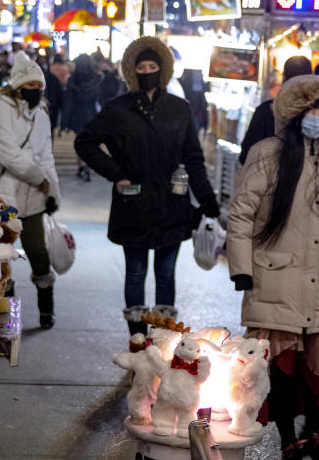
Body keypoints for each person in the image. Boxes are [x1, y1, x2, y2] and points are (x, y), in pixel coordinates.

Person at [228, 74, 319, 460]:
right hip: (273, 278)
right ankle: (289, 442)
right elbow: (241, 214)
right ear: (296, 112)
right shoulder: (267, 154)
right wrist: (242, 269)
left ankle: (313, 435)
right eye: (313, 108)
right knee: (282, 370)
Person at [75, 37, 220, 339]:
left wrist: (206, 197)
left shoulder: (179, 109)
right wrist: (116, 173)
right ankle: (138, 337)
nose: (147, 71)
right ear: (132, 71)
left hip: (172, 204)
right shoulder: (118, 109)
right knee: (136, 272)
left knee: (166, 274)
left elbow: (193, 157)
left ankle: (164, 338)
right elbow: (85, 142)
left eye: (153, 66)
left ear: (163, 69)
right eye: (141, 66)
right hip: (134, 204)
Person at [0, 51, 62, 329]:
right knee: (2, 252)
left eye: (39, 87)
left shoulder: (41, 114)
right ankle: (1, 306)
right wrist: (39, 177)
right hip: (4, 196)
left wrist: (52, 191)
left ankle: (46, 306)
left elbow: (46, 155)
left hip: (34, 197)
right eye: (29, 86)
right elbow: (8, 155)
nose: (35, 91)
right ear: (17, 85)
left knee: (38, 251)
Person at [238, 56, 312, 165]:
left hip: (269, 179)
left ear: (283, 78)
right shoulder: (318, 113)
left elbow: (246, 155)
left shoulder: (265, 111)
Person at [64, 54, 102, 181]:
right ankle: (88, 166)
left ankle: (82, 167)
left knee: (80, 143)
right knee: (90, 143)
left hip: (77, 116)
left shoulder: (73, 80)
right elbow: (100, 100)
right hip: (92, 115)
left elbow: (69, 101)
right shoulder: (97, 79)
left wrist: (65, 120)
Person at [45, 54, 69, 137]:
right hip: (62, 90)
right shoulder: (65, 68)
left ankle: (53, 125)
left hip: (52, 91)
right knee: (61, 109)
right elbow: (66, 81)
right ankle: (60, 127)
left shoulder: (51, 67)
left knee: (53, 109)